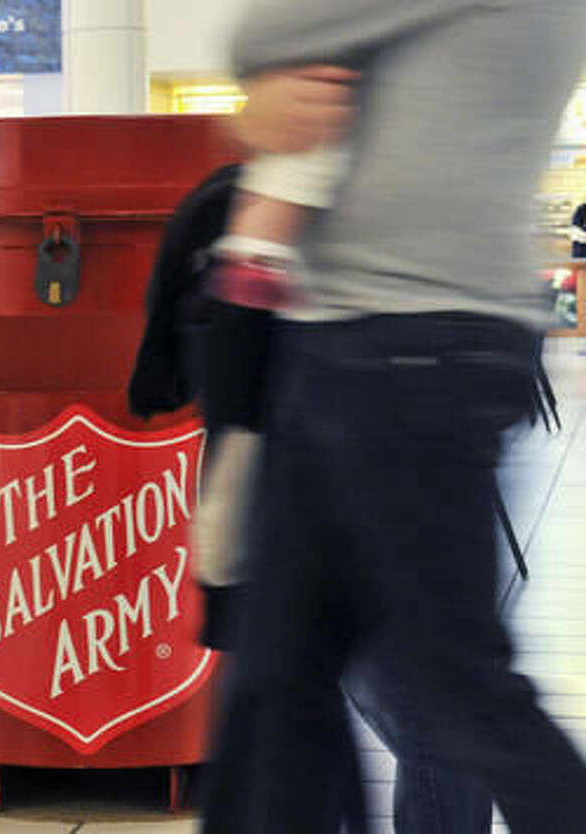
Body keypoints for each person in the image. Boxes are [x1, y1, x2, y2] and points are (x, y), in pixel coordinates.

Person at [200, 1, 586, 832]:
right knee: (280, 683)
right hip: (363, 338)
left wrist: (259, 99)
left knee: (450, 686)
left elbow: (264, 34)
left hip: (402, 342)